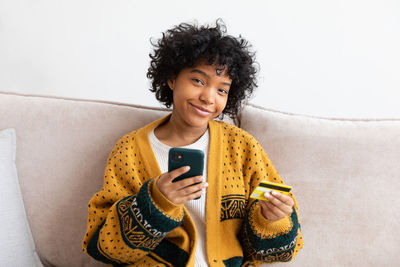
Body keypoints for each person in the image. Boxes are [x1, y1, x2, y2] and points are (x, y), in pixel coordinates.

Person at [82, 19, 303, 267]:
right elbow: (105, 247)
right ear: (172, 79)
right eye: (198, 81)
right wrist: (156, 202)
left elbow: (279, 253)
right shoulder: (130, 151)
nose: (208, 97)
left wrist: (272, 219)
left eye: (222, 90)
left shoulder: (242, 146)